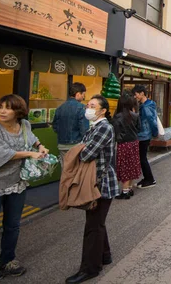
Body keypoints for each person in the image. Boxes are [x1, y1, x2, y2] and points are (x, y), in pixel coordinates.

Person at [66, 95, 120, 284]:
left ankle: (90, 268)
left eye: (92, 106)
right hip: (96, 181)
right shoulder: (96, 127)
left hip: (100, 183)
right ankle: (104, 256)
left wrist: (78, 150)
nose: (88, 108)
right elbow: (84, 150)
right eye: (88, 105)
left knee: (93, 227)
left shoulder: (104, 128)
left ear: (103, 110)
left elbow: (86, 154)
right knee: (97, 223)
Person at [0, 95, 48, 280]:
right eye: (0, 107)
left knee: (13, 225)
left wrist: (40, 147)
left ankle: (8, 260)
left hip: (17, 183)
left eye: (7, 108)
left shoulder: (24, 125)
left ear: (18, 111)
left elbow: (32, 138)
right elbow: (2, 153)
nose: (2, 111)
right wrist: (30, 153)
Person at [111, 94, 141, 200]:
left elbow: (115, 132)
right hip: (134, 143)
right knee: (132, 166)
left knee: (124, 167)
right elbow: (139, 128)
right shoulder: (135, 115)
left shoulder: (117, 117)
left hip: (123, 144)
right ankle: (129, 188)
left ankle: (124, 192)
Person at [52, 82, 88, 166]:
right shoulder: (81, 108)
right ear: (78, 94)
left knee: (65, 171)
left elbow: (55, 127)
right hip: (76, 145)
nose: (84, 97)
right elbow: (84, 130)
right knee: (75, 172)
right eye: (83, 94)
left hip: (61, 144)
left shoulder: (60, 108)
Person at [132, 85, 158, 189]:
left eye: (136, 94)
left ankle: (150, 179)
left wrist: (155, 133)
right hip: (144, 134)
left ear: (142, 93)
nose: (135, 96)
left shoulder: (146, 106)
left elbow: (152, 121)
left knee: (142, 158)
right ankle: (147, 178)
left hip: (144, 135)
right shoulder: (147, 104)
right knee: (142, 158)